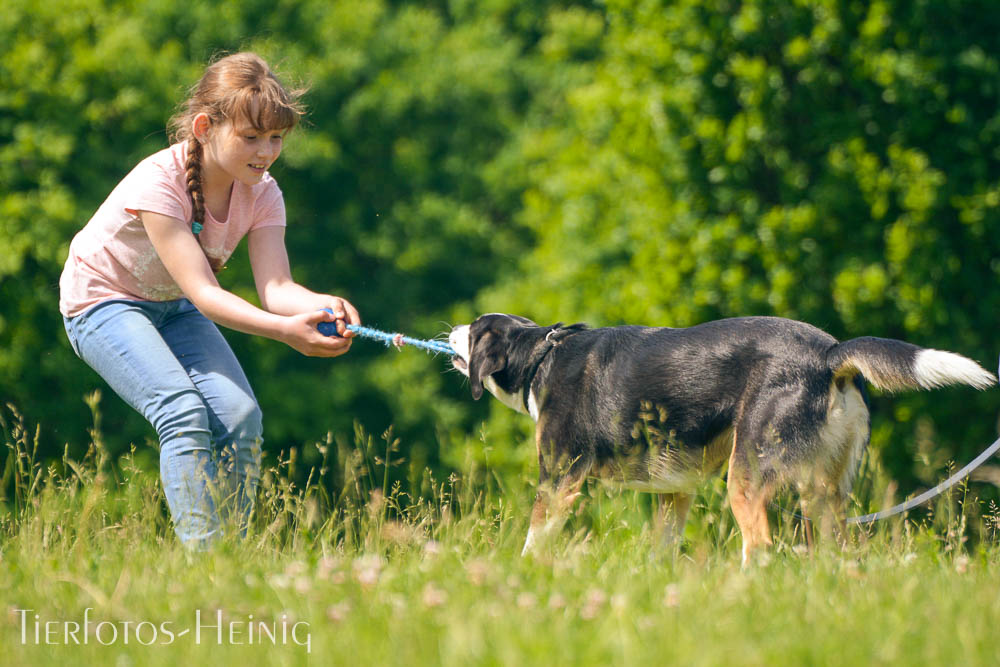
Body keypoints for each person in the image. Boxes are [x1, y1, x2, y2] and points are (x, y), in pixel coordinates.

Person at [59, 52, 359, 549]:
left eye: (276, 137)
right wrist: (285, 331)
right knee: (182, 412)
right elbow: (205, 293)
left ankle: (231, 559)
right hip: (103, 302)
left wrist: (324, 303)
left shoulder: (263, 192)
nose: (266, 151)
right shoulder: (159, 183)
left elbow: (277, 289)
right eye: (251, 136)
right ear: (204, 126)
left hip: (172, 305)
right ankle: (204, 558)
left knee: (241, 419)